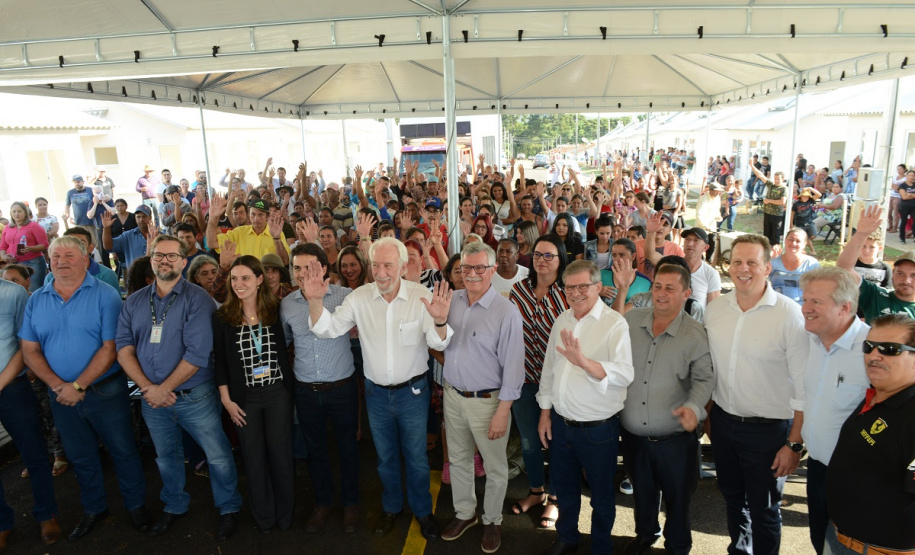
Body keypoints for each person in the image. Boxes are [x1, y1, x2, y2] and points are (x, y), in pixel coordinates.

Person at [298, 237, 452, 540]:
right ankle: (392, 507)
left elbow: (439, 343)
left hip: (413, 393)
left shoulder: (422, 296)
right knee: (385, 458)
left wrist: (441, 321)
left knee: (418, 458)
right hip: (376, 395)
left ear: (403, 266)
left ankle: (422, 511)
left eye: (388, 265)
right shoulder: (359, 299)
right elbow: (327, 329)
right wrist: (315, 301)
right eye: (376, 265)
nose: (381, 272)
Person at [19, 237, 148, 540]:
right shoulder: (37, 298)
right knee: (80, 455)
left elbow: (110, 347)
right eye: (55, 256)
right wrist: (58, 386)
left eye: (68, 255)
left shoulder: (106, 295)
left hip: (104, 391)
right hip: (60, 394)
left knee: (123, 450)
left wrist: (77, 385)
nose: (61, 261)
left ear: (85, 258)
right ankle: (94, 508)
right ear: (48, 261)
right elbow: (30, 349)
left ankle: (136, 506)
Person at [116, 234, 243, 540]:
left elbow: (198, 354)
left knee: (218, 455)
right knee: (166, 457)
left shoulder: (197, 299)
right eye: (159, 255)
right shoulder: (133, 301)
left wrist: (162, 389)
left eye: (173, 256)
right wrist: (149, 388)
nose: (165, 261)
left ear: (184, 262)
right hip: (152, 399)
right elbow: (123, 347)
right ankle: (174, 505)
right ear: (151, 259)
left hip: (195, 397)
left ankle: (228, 507)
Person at [704, 234, 808, 555]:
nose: (743, 268)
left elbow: (805, 386)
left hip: (769, 433)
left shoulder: (790, 315)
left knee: (764, 509)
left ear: (767, 267)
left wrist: (794, 444)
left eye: (752, 262)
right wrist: (710, 420)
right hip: (723, 425)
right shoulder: (716, 310)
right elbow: (710, 370)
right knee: (734, 499)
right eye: (737, 261)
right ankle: (739, 550)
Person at [537, 260, 634, 555]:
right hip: (561, 423)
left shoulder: (614, 323)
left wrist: (585, 363)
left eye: (583, 286)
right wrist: (544, 413)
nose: (576, 293)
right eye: (570, 287)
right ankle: (568, 537)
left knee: (602, 496)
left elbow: (624, 374)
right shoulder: (562, 319)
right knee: (564, 491)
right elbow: (549, 370)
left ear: (597, 287)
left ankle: (601, 547)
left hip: (597, 430)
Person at [621, 264, 715, 554]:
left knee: (678, 498)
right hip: (634, 437)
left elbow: (705, 378)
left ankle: (678, 544)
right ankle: (645, 535)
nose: (661, 293)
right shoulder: (631, 320)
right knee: (643, 493)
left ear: (686, 293)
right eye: (658, 286)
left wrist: (692, 405)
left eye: (670, 288)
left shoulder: (696, 333)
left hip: (675, 439)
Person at [439, 242, 524, 554]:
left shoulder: (506, 312)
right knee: (458, 460)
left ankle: (492, 519)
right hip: (453, 396)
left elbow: (514, 369)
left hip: (488, 402)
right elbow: (437, 340)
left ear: (491, 271)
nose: (471, 274)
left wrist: (503, 411)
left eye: (478, 268)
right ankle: (465, 514)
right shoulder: (452, 301)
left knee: (494, 465)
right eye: (465, 268)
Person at [282, 243, 360, 534]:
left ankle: (351, 503)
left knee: (348, 449)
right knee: (316, 451)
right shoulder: (288, 304)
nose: (303, 273)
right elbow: (286, 340)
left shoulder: (344, 297)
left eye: (310, 267)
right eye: (297, 268)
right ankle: (323, 502)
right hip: (306, 390)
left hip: (342, 388)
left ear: (325, 268)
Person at [214, 256, 294, 534]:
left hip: (277, 394)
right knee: (254, 458)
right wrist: (226, 400)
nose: (239, 284)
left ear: (260, 280)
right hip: (243, 398)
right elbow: (221, 361)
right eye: (234, 279)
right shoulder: (223, 317)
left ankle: (285, 514)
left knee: (281, 456)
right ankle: (263, 517)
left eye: (245, 278)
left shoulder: (275, 310)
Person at [824, 314, 915, 553]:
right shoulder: (878, 394)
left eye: (890, 349)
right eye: (870, 346)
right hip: (839, 536)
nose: (875, 355)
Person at [798, 268, 869, 555]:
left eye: (816, 302)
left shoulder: (872, 351)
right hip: (817, 468)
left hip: (858, 481)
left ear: (845, 307)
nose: (805, 309)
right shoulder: (813, 340)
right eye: (805, 300)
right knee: (820, 543)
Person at [0, 277, 61, 550]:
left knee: (34, 453)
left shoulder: (14, 294)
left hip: (12, 387)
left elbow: (25, 346)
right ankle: (3, 523)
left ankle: (46, 514)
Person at [837, 206, 915, 323]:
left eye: (914, 275)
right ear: (893, 274)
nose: (907, 280)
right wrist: (861, 234)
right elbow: (844, 268)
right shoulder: (876, 296)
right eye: (900, 273)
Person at [207, 197, 290, 265]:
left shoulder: (277, 234)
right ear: (248, 215)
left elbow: (284, 262)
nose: (256, 218)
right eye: (253, 214)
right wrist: (213, 218)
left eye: (260, 215)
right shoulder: (238, 232)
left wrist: (276, 238)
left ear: (267, 216)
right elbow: (212, 243)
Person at [0, 202, 49, 293]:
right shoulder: (7, 228)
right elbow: (3, 247)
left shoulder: (34, 226)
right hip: (13, 263)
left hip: (33, 262)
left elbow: (44, 245)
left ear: (25, 212)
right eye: (14, 211)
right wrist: (4, 256)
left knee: (33, 290)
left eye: (19, 211)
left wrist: (30, 249)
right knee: (14, 291)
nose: (16, 214)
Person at [769, 228, 820, 304]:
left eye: (798, 241)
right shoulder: (773, 261)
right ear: (785, 240)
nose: (793, 243)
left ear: (804, 244)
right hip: (777, 305)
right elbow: (758, 278)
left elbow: (820, 289)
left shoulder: (811, 264)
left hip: (802, 308)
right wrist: (769, 257)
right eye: (791, 239)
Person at [750, 164, 788, 246]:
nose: (776, 181)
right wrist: (752, 166)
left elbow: (782, 202)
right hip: (767, 213)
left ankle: (775, 253)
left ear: (783, 179)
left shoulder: (783, 188)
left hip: (776, 215)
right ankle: (766, 251)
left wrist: (769, 201)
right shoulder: (771, 185)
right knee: (766, 236)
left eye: (778, 179)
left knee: (775, 236)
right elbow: (760, 175)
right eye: (775, 179)